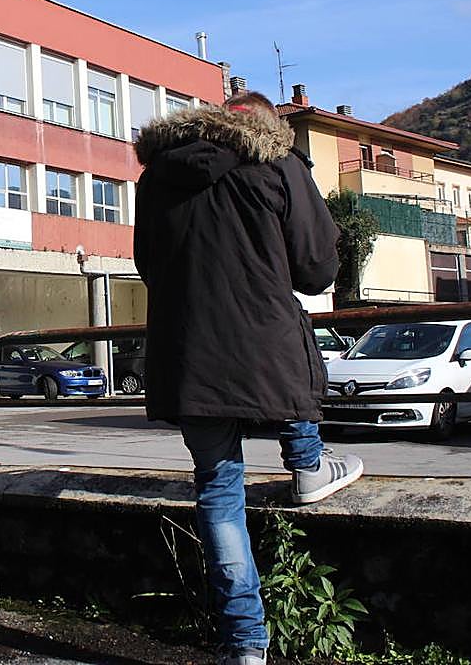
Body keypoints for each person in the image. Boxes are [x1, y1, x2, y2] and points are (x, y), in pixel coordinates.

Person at [133, 91, 363, 665]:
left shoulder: (159, 173)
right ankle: (307, 465)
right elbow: (316, 270)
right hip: (266, 345)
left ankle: (244, 645)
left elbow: (147, 264)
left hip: (188, 352)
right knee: (286, 350)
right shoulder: (278, 162)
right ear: (268, 123)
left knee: (217, 490)